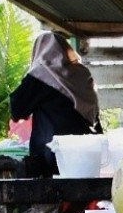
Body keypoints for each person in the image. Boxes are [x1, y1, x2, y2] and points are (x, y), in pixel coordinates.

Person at [10, 32, 103, 178]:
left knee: (56, 192)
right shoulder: (82, 74)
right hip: (87, 151)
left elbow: (17, 109)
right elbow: (93, 113)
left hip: (53, 153)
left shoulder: (40, 75)